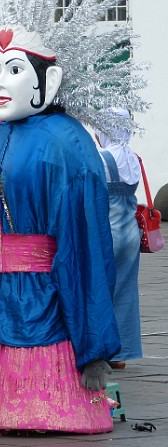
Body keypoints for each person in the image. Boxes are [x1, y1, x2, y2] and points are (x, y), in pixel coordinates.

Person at [0, 0, 147, 434]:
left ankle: (59, 408)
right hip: (2, 280)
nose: (0, 82)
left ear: (49, 79)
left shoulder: (67, 142)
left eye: (14, 70)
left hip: (47, 276)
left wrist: (91, 320)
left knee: (42, 328)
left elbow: (83, 238)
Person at [96, 109, 143, 369]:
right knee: (125, 290)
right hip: (130, 232)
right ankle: (121, 353)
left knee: (101, 289)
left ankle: (103, 347)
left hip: (108, 231)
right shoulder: (132, 156)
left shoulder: (103, 157)